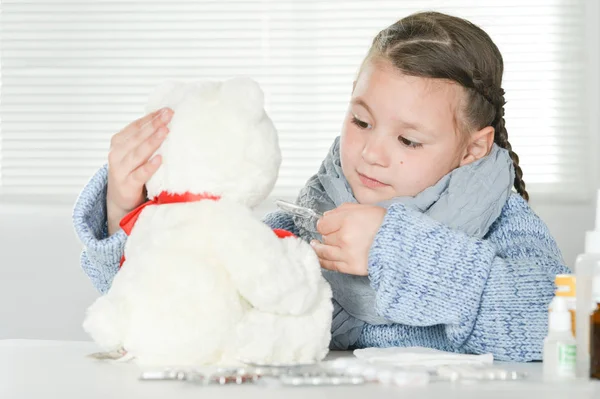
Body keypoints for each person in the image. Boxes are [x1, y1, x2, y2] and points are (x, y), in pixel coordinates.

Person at [73, 11, 569, 362]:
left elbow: (554, 323)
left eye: (408, 140)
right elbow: (177, 296)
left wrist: (395, 251)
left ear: (473, 150)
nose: (373, 152)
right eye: (360, 121)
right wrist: (125, 207)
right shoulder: (310, 215)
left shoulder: (498, 221)